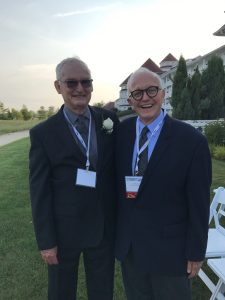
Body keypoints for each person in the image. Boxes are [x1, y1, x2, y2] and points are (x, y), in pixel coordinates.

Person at [115, 67, 212, 300]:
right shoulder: (121, 133)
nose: (145, 98)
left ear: (163, 94)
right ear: (130, 100)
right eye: (137, 93)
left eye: (151, 90)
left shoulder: (191, 141)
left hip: (171, 251)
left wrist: (196, 252)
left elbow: (199, 203)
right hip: (131, 249)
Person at [29, 57, 119, 300]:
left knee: (102, 292)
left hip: (102, 229)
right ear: (58, 86)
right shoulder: (43, 134)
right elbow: (39, 192)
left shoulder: (108, 121)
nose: (80, 88)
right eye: (71, 83)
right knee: (60, 292)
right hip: (63, 232)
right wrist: (46, 241)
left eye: (86, 82)